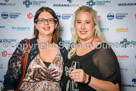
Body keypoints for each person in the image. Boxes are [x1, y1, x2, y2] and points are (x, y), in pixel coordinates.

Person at [3, 7, 67, 91]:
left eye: (50, 20)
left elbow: (66, 82)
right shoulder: (25, 46)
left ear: (56, 24)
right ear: (36, 25)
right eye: (42, 20)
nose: (46, 23)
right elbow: (9, 83)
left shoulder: (62, 50)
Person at [62, 6, 121, 91]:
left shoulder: (102, 50)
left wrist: (87, 79)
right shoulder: (72, 47)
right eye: (79, 22)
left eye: (87, 22)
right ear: (75, 25)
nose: (82, 27)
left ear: (95, 26)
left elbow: (115, 89)